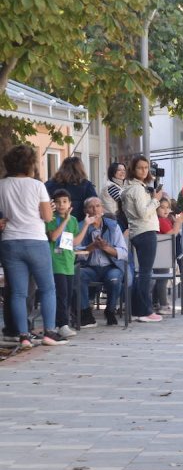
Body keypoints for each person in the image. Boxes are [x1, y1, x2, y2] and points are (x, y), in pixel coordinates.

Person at [0, 145, 63, 347]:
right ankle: (49, 333)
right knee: (47, 288)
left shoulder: (2, 185)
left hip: (10, 241)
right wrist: (49, 210)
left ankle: (24, 336)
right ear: (30, 165)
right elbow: (46, 217)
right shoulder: (37, 186)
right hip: (35, 240)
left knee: (18, 293)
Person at [121, 155, 164, 323]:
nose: (144, 170)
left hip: (139, 231)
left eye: (146, 168)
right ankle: (144, 311)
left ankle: (137, 309)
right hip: (144, 231)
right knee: (146, 272)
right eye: (140, 167)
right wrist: (155, 200)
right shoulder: (137, 189)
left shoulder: (134, 187)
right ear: (133, 169)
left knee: (143, 272)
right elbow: (143, 212)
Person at [47, 189, 92, 338]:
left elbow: (73, 243)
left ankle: (61, 323)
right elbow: (53, 237)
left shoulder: (73, 220)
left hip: (67, 262)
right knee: (61, 294)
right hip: (55, 262)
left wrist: (85, 225)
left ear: (70, 204)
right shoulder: (51, 218)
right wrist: (64, 220)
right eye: (58, 202)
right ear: (53, 204)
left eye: (64, 202)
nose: (61, 205)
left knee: (67, 295)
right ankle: (61, 324)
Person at [77, 197, 128, 326]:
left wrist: (106, 248)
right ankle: (85, 313)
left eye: (98, 206)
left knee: (114, 278)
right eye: (91, 207)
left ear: (103, 209)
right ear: (85, 211)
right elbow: (75, 253)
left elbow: (123, 252)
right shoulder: (80, 226)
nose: (95, 210)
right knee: (78, 275)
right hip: (90, 267)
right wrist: (90, 248)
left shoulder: (113, 226)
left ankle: (110, 311)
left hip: (110, 267)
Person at [153, 197, 183, 314]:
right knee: (162, 280)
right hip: (162, 255)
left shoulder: (164, 220)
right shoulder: (161, 221)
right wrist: (178, 222)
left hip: (160, 254)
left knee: (158, 279)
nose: (165, 210)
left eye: (167, 207)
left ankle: (156, 302)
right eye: (162, 207)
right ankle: (163, 305)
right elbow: (171, 235)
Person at [45, 156, 98, 222]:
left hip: (54, 222)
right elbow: (94, 204)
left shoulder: (50, 184)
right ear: (80, 169)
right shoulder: (86, 185)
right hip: (79, 222)